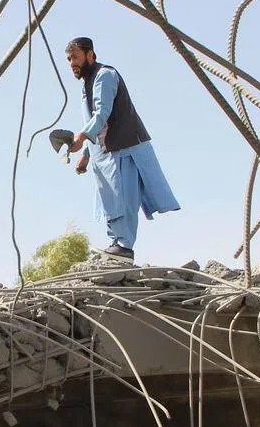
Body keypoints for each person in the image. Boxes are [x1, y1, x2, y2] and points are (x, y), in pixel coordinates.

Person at [64, 37, 179, 261]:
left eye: (75, 57)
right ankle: (116, 244)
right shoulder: (86, 85)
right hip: (104, 153)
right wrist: (86, 155)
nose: (72, 63)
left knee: (124, 197)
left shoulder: (105, 76)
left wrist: (82, 136)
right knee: (110, 199)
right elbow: (94, 121)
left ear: (90, 54)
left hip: (125, 147)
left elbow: (102, 113)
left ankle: (125, 247)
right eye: (69, 59)